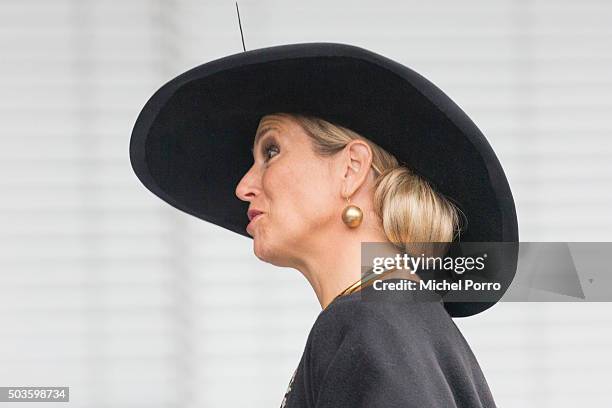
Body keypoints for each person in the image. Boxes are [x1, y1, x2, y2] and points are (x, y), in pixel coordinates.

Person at [130, 43, 519, 407]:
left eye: (271, 151)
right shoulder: (402, 321)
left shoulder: (369, 323)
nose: (243, 187)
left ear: (350, 169)